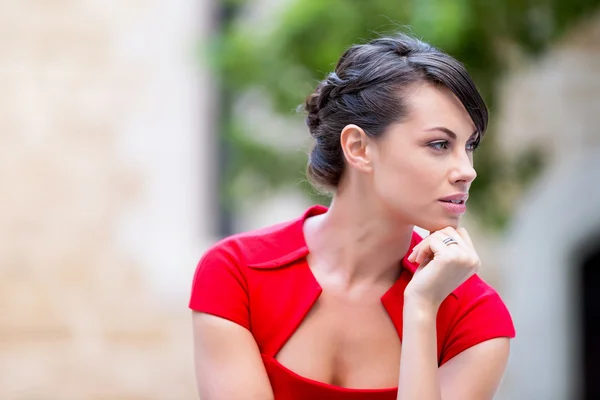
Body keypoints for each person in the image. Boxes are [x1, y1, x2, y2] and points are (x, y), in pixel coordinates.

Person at [189, 32, 515, 400]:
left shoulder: (474, 317)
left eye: (468, 146)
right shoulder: (237, 274)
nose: (466, 170)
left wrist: (422, 310)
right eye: (439, 144)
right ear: (358, 148)